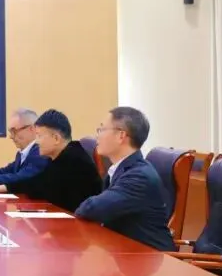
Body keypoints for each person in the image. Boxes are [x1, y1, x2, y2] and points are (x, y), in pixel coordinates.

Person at [74, 107, 175, 251]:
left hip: (149, 257)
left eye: (102, 129)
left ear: (121, 136)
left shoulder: (139, 177)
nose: (98, 136)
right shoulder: (122, 169)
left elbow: (92, 209)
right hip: (126, 252)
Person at [0, 109, 102, 213]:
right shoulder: (58, 157)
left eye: (40, 136)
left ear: (56, 138)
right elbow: (35, 183)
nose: (37, 142)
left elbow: (40, 186)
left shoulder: (74, 159)